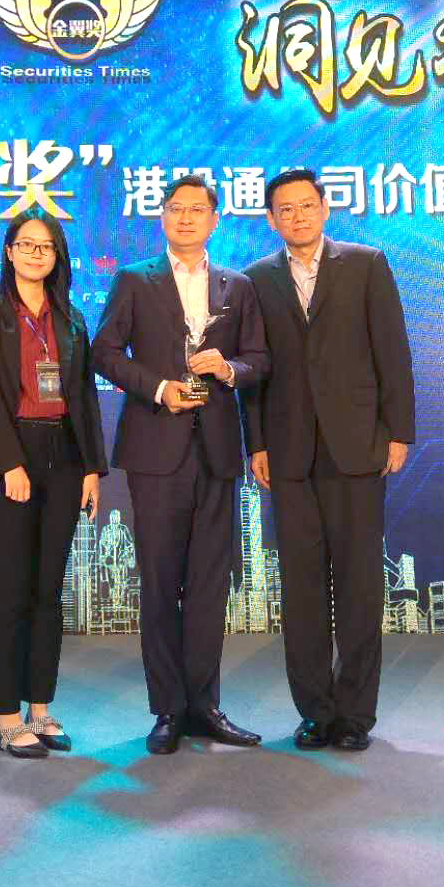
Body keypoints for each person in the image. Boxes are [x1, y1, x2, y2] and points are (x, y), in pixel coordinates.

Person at [92, 175, 270, 755]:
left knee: (210, 586)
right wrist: (159, 388)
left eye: (197, 210)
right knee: (160, 582)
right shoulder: (135, 279)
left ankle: (205, 706)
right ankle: (168, 709)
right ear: (163, 217)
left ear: (215, 220)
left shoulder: (238, 285)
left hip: (216, 452)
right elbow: (104, 352)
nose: (186, 218)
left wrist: (229, 369)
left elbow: (260, 361)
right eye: (176, 209)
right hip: (155, 450)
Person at [243, 167, 415, 752]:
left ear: (324, 207)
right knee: (303, 589)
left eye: (306, 205)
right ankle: (315, 712)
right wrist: (256, 443)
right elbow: (253, 373)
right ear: (271, 219)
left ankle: (355, 715)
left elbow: (393, 354)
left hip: (357, 447)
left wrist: (398, 433)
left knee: (360, 587)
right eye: (285, 209)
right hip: (289, 453)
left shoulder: (366, 265)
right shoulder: (256, 279)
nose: (297, 216)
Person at [0, 206, 108, 758]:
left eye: (46, 246)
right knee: (12, 590)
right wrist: (9, 464)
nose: (35, 253)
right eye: (26, 244)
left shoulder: (72, 319)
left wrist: (92, 468)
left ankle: (40, 709)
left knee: (49, 590)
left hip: (66, 457)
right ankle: (5, 717)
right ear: (9, 251)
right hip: (13, 454)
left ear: (57, 256)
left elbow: (85, 398)